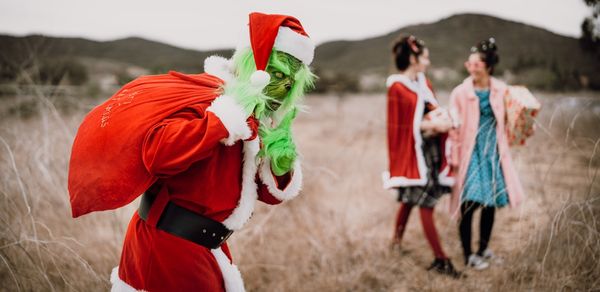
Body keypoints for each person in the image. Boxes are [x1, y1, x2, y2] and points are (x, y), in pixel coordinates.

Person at [68, 12, 316, 292]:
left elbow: (263, 193)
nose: (283, 86)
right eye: (279, 73)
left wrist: (280, 164)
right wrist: (222, 121)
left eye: (291, 81)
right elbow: (159, 155)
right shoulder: (208, 100)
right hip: (166, 249)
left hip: (209, 250)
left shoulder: (257, 114)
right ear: (255, 65)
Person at [383, 35, 460, 278]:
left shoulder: (423, 83)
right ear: (414, 58)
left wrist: (444, 120)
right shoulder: (397, 86)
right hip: (413, 152)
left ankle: (395, 243)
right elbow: (400, 125)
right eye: (424, 56)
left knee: (409, 198)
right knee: (425, 202)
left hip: (430, 150)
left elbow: (430, 110)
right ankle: (441, 259)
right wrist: (430, 127)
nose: (428, 61)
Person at [448, 38, 524, 270]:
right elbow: (452, 125)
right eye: (469, 64)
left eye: (476, 64)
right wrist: (452, 156)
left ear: (488, 66)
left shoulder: (502, 90)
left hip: (493, 151)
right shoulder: (460, 92)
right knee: (469, 201)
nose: (471, 68)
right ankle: (468, 255)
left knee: (490, 202)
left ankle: (483, 249)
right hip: (469, 151)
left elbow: (515, 116)